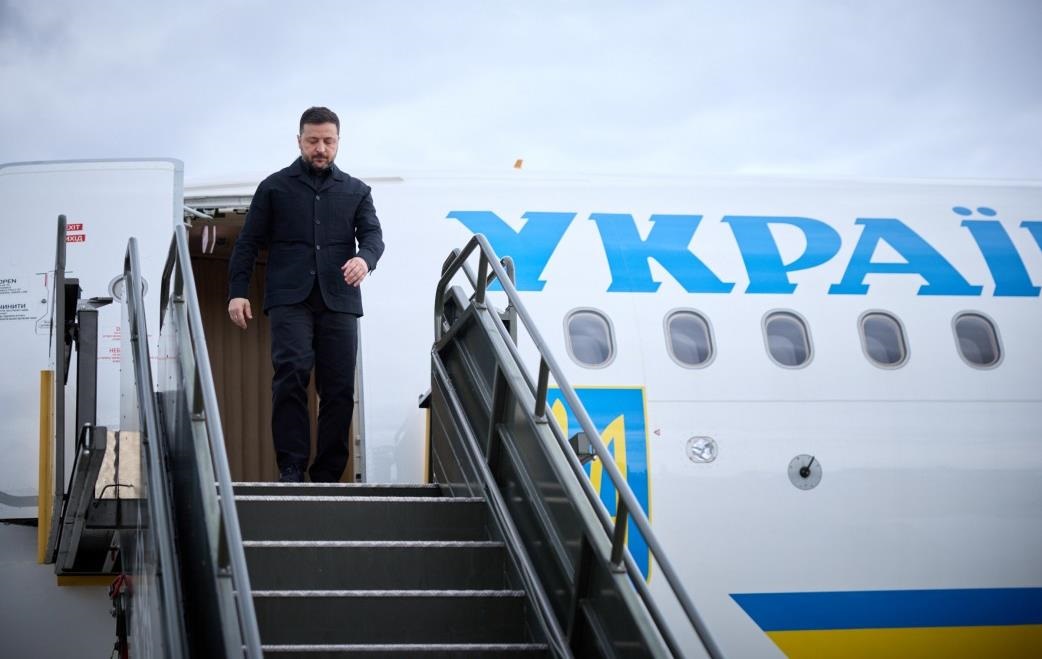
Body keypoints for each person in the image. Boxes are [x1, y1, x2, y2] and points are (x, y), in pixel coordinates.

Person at [227, 106, 384, 483]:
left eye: (328, 141)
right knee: (292, 373)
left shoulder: (357, 191)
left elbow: (373, 237)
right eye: (313, 141)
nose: (320, 148)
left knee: (339, 387)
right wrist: (237, 292)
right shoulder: (274, 187)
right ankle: (292, 467)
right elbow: (247, 242)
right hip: (289, 299)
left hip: (339, 300)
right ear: (299, 141)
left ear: (338, 142)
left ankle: (327, 473)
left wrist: (364, 259)